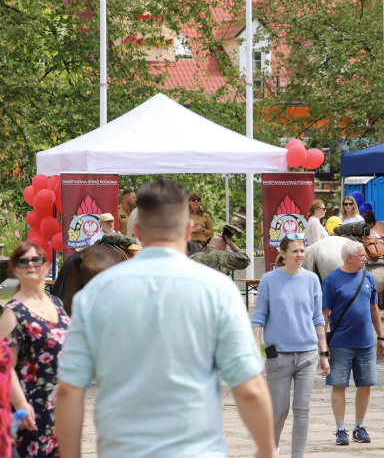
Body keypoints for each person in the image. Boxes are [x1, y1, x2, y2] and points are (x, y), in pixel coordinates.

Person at [55, 179, 278, 458]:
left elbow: (68, 390)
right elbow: (249, 387)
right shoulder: (219, 291)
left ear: (136, 230)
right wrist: (267, 448)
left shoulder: (96, 293)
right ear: (187, 229)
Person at [251, 235, 331, 457]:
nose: (299, 255)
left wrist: (323, 352)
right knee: (279, 411)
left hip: (307, 354)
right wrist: (257, 354)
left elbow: (318, 317)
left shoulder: (312, 279)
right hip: (278, 355)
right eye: (294, 251)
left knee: (302, 409)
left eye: (302, 251)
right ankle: (271, 449)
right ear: (283, 253)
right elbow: (258, 318)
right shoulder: (269, 279)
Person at [0, 242, 69, 458]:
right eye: (23, 260)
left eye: (36, 259)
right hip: (30, 408)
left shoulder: (57, 304)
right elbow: (4, 365)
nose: (30, 264)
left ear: (47, 266)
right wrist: (20, 404)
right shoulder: (13, 311)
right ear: (15, 269)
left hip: (60, 403)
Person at [321, 241, 384, 446]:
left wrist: (381, 337)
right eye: (361, 255)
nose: (366, 258)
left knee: (365, 384)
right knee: (339, 385)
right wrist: (323, 347)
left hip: (366, 343)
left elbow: (375, 309)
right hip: (340, 344)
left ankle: (359, 427)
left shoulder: (368, 278)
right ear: (349, 257)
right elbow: (324, 315)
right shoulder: (331, 280)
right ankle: (340, 429)